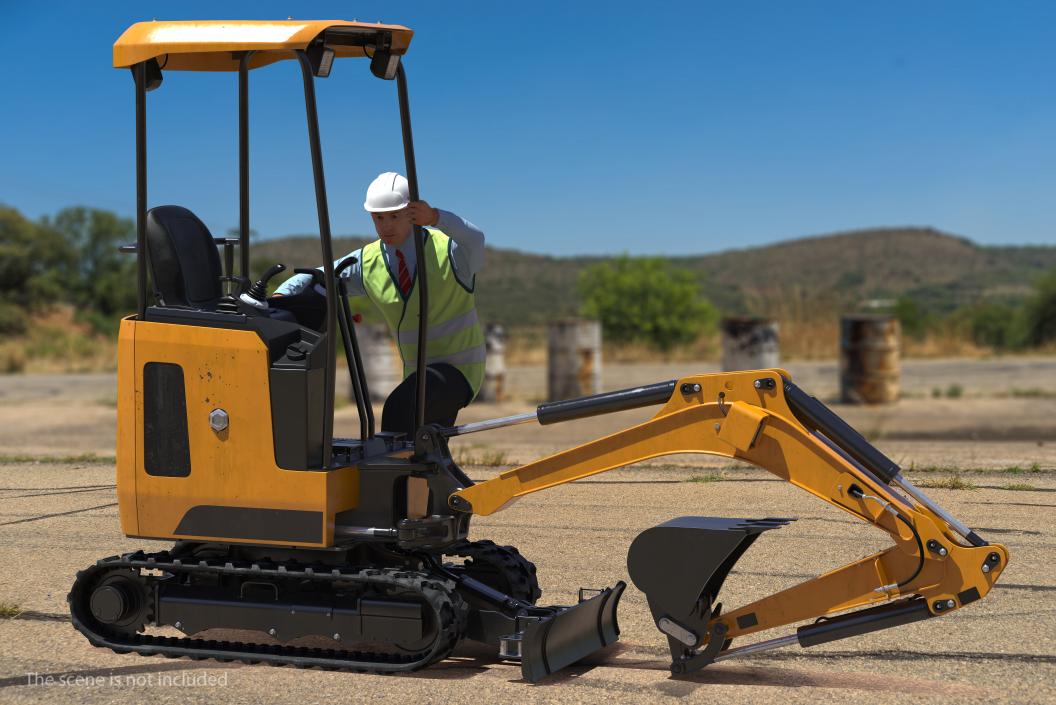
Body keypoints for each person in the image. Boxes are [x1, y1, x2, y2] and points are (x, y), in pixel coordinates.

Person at [273, 172, 486, 437]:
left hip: (460, 369)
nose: (386, 226)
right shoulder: (368, 260)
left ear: (412, 212)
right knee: (424, 444)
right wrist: (279, 298)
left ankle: (393, 473)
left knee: (399, 409)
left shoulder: (451, 251)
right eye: (378, 218)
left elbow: (476, 239)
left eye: (394, 216)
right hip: (416, 374)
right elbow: (320, 276)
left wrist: (436, 218)